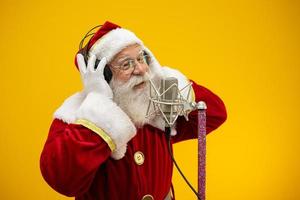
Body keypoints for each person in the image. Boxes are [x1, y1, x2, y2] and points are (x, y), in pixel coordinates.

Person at [39, 21, 227, 200]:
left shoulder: (156, 106)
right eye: (126, 64)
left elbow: (214, 114)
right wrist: (99, 104)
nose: (140, 69)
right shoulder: (76, 116)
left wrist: (164, 78)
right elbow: (63, 179)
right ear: (104, 75)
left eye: (142, 58)